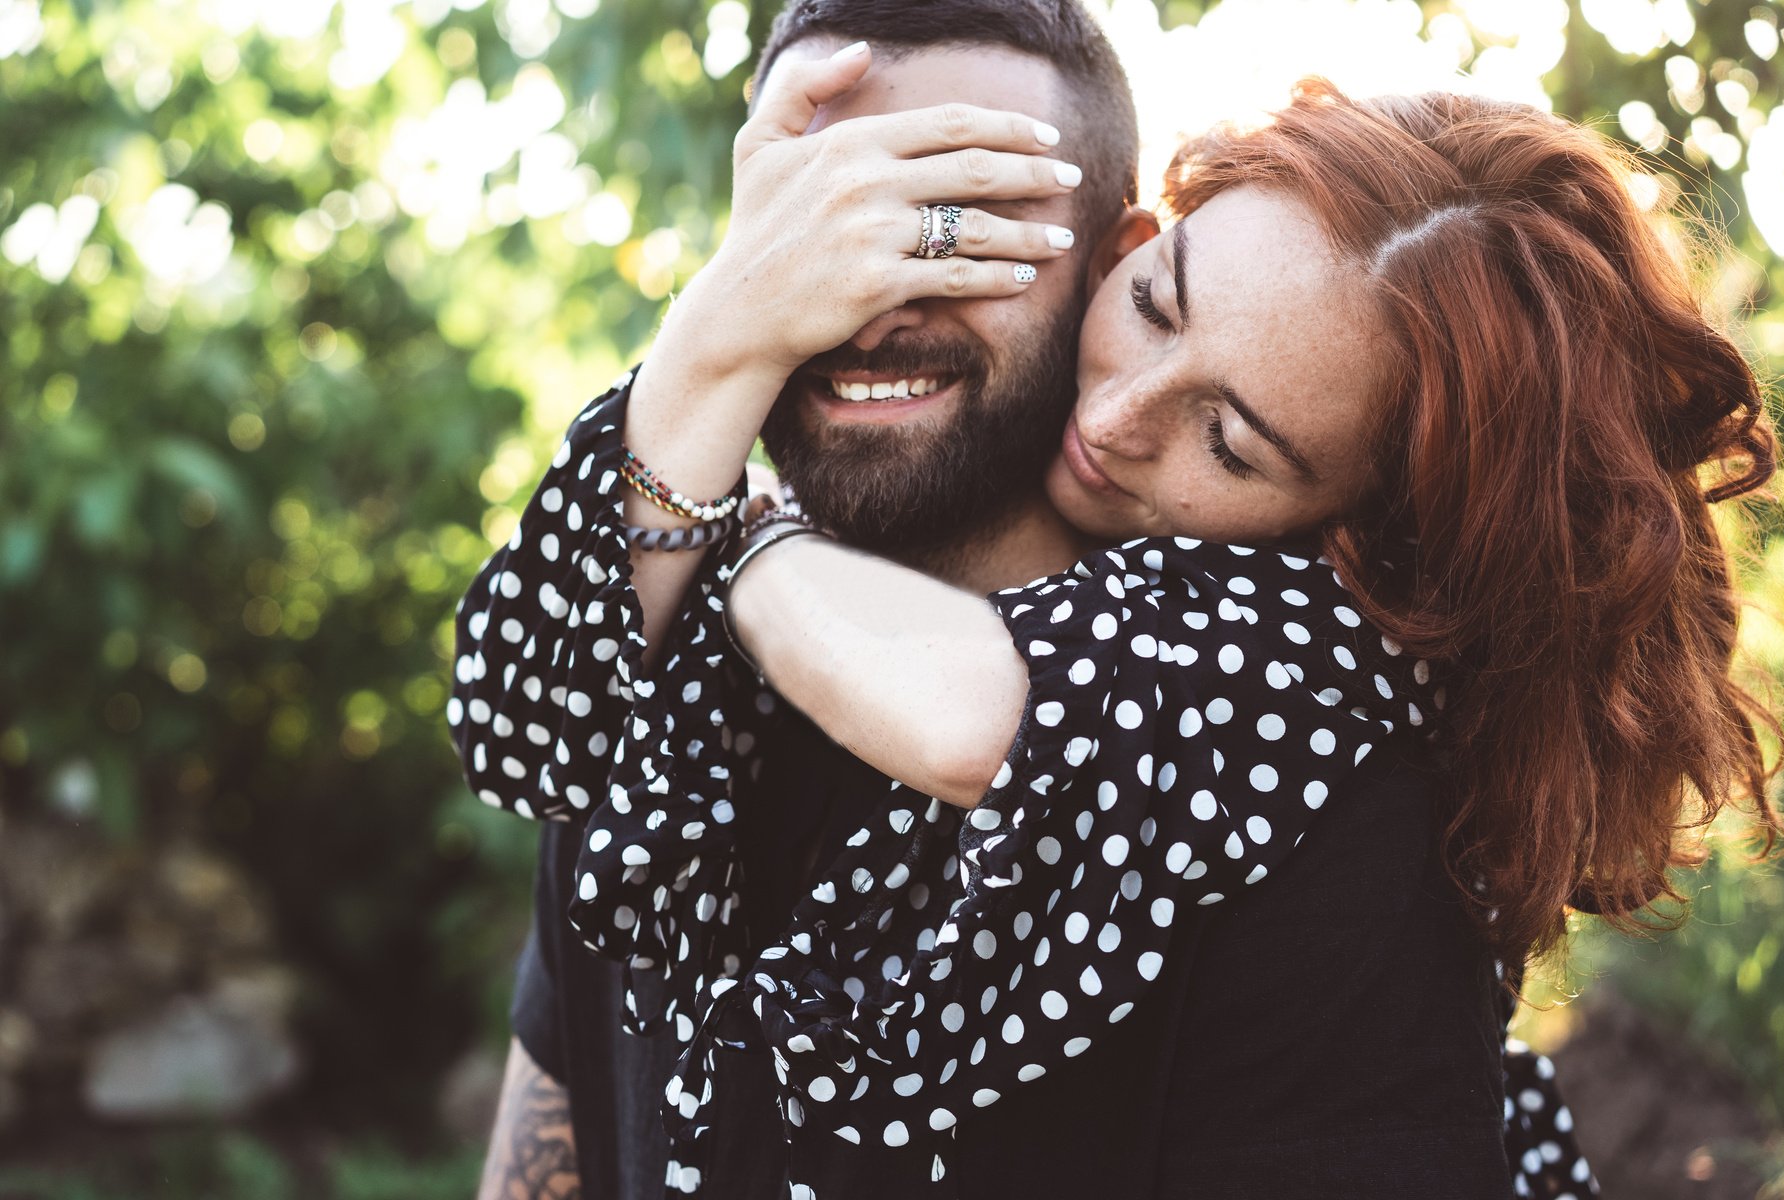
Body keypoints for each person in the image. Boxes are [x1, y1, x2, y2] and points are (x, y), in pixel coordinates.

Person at [447, 5, 1676, 1197]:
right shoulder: (650, 632)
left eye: (954, 231)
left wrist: (743, 537)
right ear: (1138, 254)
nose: (1112, 419)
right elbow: (524, 760)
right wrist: (717, 353)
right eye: (818, 229)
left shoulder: (1316, 788)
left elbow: (986, 718)